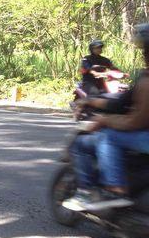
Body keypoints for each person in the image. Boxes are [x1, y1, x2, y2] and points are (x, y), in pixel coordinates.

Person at [63, 24, 149, 211]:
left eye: (100, 47)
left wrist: (119, 73)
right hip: (90, 88)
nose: (99, 50)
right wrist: (99, 75)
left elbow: (137, 118)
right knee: (95, 98)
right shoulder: (87, 59)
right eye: (96, 47)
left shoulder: (107, 60)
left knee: (107, 136)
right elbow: (91, 73)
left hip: (103, 89)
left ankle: (113, 189)